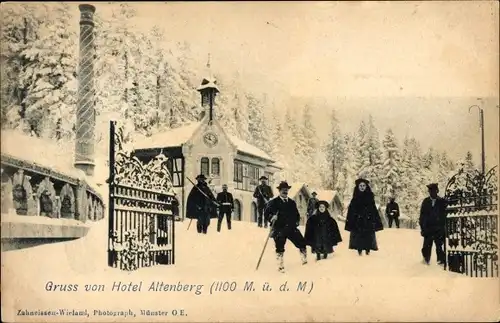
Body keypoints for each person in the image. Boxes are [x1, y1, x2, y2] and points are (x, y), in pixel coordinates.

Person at [264, 181, 308, 273]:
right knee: (279, 246)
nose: (285, 192)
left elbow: (296, 214)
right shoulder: (273, 202)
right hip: (278, 228)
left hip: (291, 228)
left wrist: (296, 222)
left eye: (286, 190)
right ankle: (280, 265)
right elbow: (266, 213)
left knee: (301, 242)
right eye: (283, 190)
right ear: (279, 191)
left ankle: (304, 259)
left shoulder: (291, 202)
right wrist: (272, 217)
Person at [345, 178, 384, 256]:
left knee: (368, 236)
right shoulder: (355, 198)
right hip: (358, 221)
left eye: (364, 185)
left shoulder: (370, 197)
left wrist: (375, 220)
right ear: (358, 187)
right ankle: (359, 250)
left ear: (366, 187)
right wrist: (352, 220)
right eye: (360, 186)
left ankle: (367, 250)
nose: (362, 187)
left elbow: (373, 209)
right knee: (358, 236)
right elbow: (351, 210)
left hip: (368, 220)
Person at [419, 183, 447, 265]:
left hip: (438, 229)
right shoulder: (426, 201)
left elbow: (444, 215)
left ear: (437, 191)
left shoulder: (441, 202)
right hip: (428, 229)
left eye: (433, 191)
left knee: (439, 246)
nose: (431, 193)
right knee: (426, 246)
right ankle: (425, 260)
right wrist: (423, 228)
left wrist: (442, 226)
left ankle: (441, 262)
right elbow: (422, 215)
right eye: (430, 191)